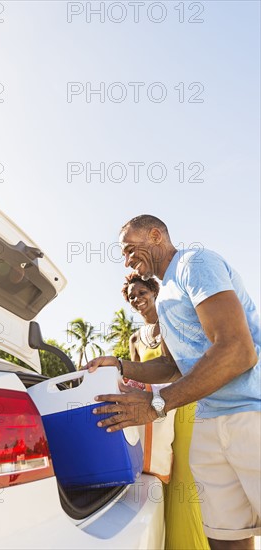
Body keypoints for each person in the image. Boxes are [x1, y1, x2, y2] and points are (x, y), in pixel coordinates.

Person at [85, 214, 260, 550]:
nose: (127, 260)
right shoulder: (164, 298)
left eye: (130, 249)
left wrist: (157, 405)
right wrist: (121, 366)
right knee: (227, 537)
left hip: (251, 415)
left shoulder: (194, 264)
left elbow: (238, 350)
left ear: (155, 235)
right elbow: (171, 366)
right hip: (210, 423)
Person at [123, 271, 209, 550]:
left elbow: (182, 367)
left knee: (184, 474)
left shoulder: (174, 323)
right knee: (158, 476)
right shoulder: (135, 338)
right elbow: (137, 379)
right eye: (132, 296)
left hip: (181, 406)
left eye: (141, 292)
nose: (137, 299)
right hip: (153, 416)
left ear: (154, 291)